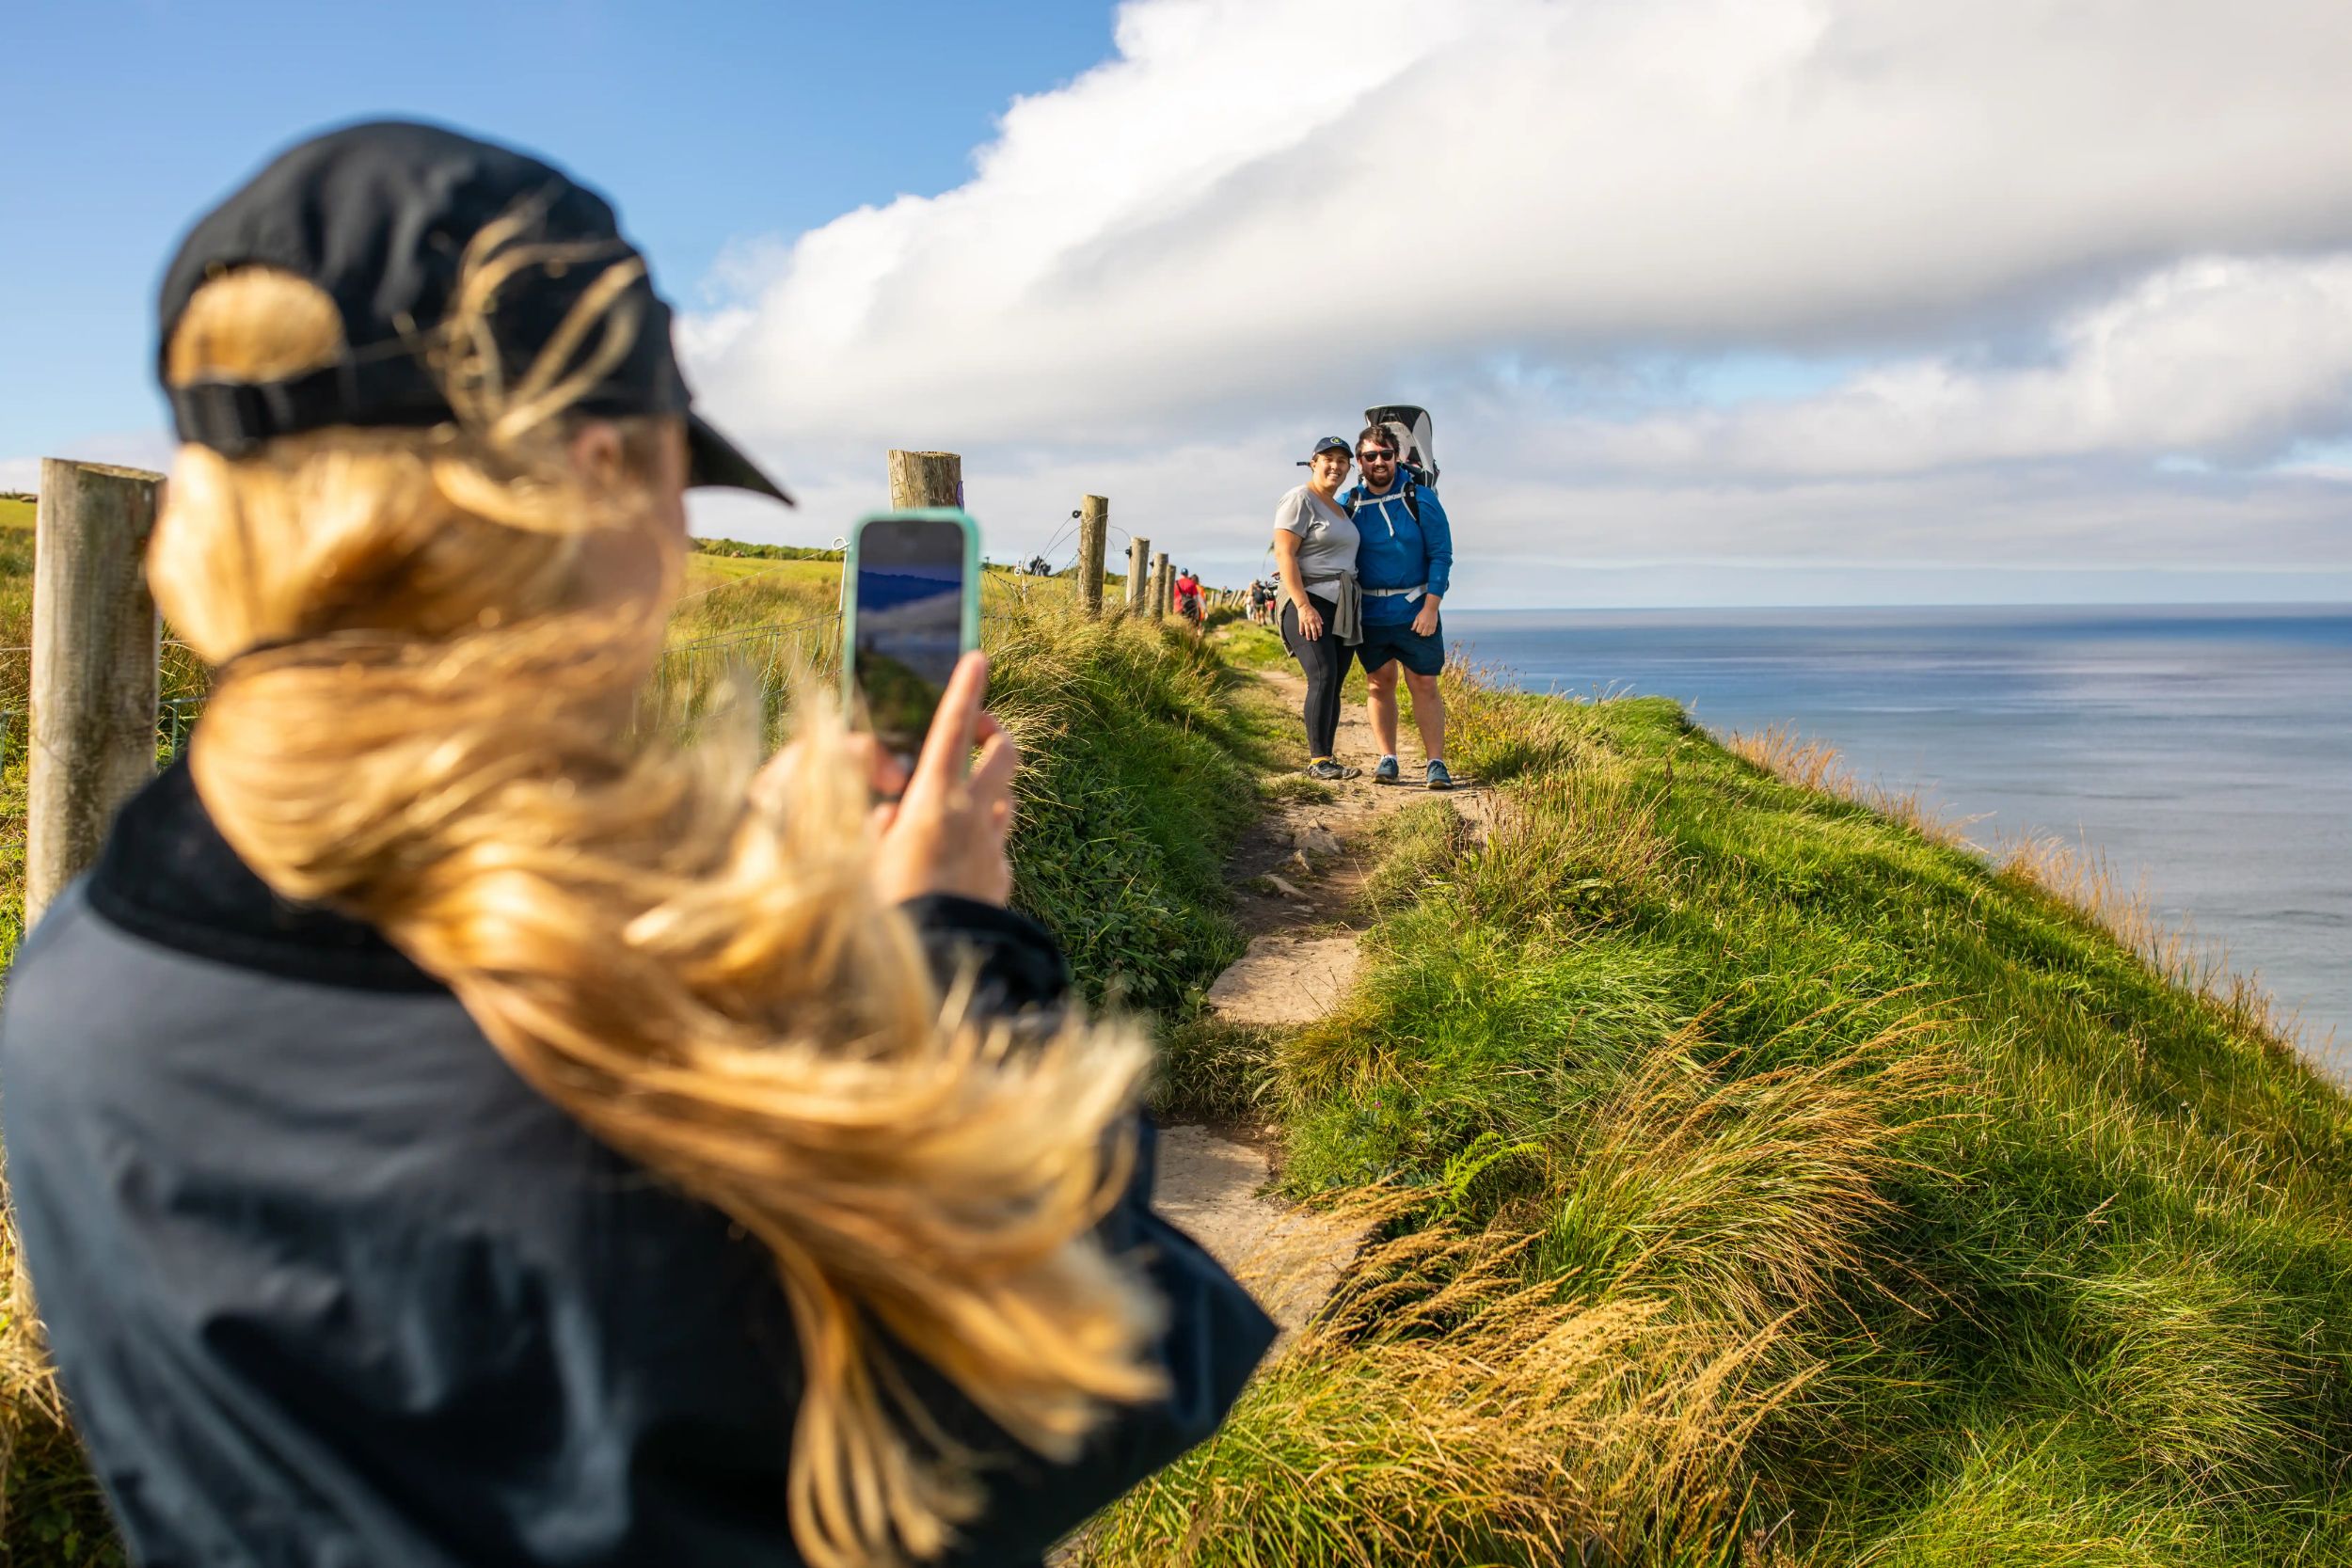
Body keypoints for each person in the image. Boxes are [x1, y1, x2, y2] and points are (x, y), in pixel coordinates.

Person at [0, 121, 1273, 1568]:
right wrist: (941, 954)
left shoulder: (71, 981)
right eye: (679, 475)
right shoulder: (653, 1098)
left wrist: (727, 895)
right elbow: (1096, 1367)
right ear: (600, 467)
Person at [1342, 422, 1455, 789]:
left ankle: (1435, 763)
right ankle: (1387, 758)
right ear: (1359, 460)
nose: (1379, 462)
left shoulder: (1420, 498)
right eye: (1370, 456)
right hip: (1371, 613)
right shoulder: (1350, 504)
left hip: (1416, 610)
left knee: (1423, 682)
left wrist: (1431, 607)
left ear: (1398, 457)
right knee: (1379, 682)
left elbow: (1441, 555)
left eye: (1386, 455)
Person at [1271, 436, 1363, 780]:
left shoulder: (1339, 507)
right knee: (1322, 675)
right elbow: (1285, 553)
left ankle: (1327, 758)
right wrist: (1303, 605)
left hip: (1342, 606)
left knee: (1334, 681)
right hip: (1308, 600)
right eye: (1328, 458)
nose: (1335, 466)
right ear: (1313, 462)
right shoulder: (1300, 498)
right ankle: (1317, 760)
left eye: (1343, 461)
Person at [1172, 564, 1203, 628]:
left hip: (1176, 607)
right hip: (1187, 608)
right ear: (1187, 575)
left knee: (1177, 625)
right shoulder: (1191, 583)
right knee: (1188, 625)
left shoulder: (1175, 583)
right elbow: (1195, 598)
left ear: (1181, 574)